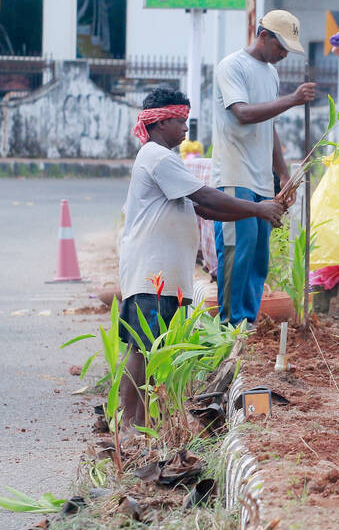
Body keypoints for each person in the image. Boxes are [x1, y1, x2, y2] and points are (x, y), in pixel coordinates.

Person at [118, 88, 285, 431]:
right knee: (144, 351)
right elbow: (206, 194)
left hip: (161, 274)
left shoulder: (161, 158)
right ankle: (132, 426)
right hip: (152, 273)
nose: (185, 129)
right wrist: (258, 208)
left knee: (147, 350)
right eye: (181, 121)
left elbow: (206, 208)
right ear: (161, 121)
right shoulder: (159, 157)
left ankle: (135, 424)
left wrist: (257, 213)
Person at [211, 10, 315, 327]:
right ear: (263, 35)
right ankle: (230, 326)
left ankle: (248, 322)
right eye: (281, 46)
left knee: (257, 257)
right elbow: (242, 113)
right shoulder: (232, 66)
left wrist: (283, 174)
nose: (284, 54)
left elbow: (269, 127)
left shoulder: (270, 74)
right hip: (233, 174)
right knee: (236, 253)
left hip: (261, 181)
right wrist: (292, 100)